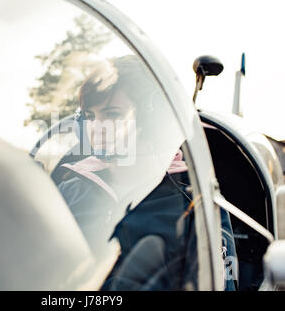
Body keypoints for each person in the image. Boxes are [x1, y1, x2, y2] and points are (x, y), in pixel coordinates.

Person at [57, 55, 237, 290]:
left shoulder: (196, 203)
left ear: (152, 119)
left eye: (112, 115)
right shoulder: (70, 189)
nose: (96, 129)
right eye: (90, 117)